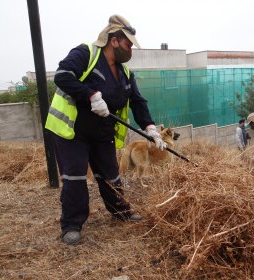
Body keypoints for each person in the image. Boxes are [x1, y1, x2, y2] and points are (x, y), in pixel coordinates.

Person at [45, 15, 167, 245]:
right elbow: (62, 76)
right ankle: (71, 224)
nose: (131, 49)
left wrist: (150, 128)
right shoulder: (86, 54)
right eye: (128, 44)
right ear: (114, 40)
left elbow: (138, 102)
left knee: (111, 175)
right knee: (75, 177)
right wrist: (90, 95)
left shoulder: (125, 73)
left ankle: (121, 212)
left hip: (102, 133)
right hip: (73, 131)